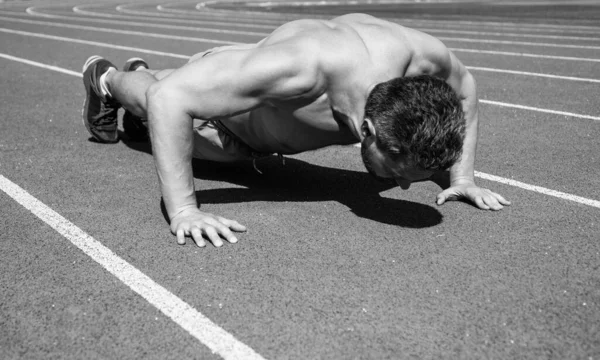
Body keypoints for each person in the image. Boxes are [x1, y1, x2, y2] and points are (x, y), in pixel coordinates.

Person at [81, 13, 510, 248]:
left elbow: (466, 90)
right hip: (228, 126)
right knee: (158, 95)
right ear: (368, 129)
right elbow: (171, 102)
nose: (400, 187)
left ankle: (144, 77)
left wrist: (462, 177)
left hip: (255, 90)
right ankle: (109, 79)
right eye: (400, 173)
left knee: (176, 91)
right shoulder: (301, 69)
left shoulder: (421, 56)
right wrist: (185, 211)